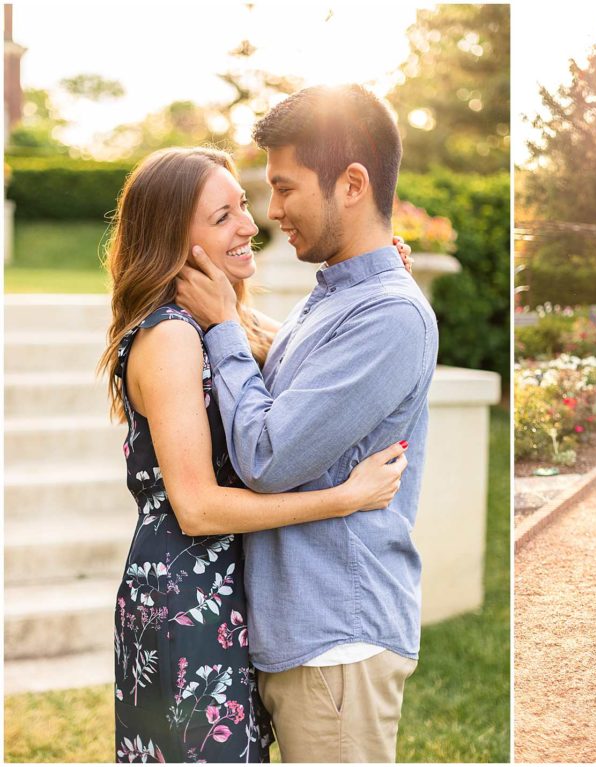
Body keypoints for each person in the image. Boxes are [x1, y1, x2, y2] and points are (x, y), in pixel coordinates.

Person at [99, 147, 414, 762]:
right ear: (174, 241)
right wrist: (343, 498)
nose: (249, 224)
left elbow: (296, 347)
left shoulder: (219, 322)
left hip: (228, 598)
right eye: (222, 217)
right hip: (186, 597)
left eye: (241, 206)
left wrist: (373, 268)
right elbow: (195, 508)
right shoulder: (170, 338)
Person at [176, 84, 439, 762]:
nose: (272, 212)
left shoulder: (387, 314)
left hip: (336, 640)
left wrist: (223, 326)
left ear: (352, 184)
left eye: (285, 188)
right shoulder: (338, 297)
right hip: (304, 633)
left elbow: (267, 454)